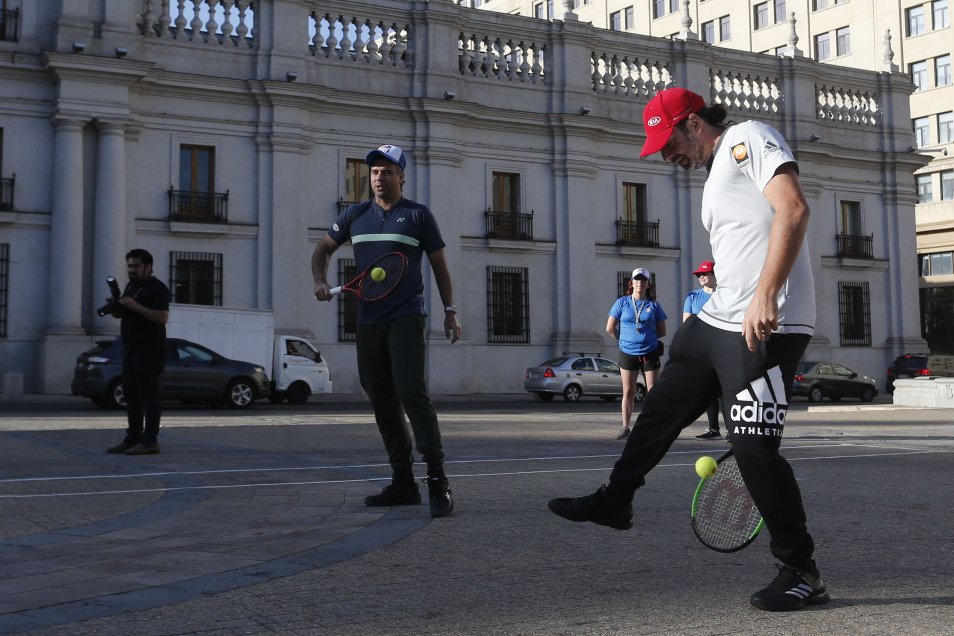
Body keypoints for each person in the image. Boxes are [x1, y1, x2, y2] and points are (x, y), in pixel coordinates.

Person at [547, 87, 828, 612]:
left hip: (769, 323)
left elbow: (793, 208)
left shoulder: (748, 138)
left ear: (693, 123)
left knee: (752, 451)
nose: (668, 155)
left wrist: (765, 293)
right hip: (717, 316)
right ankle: (616, 500)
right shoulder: (714, 176)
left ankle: (801, 570)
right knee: (661, 409)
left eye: (669, 142)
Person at [311, 144, 462, 518]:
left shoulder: (418, 216)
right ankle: (403, 483)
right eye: (375, 172)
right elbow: (322, 251)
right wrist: (319, 279)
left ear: (402, 176)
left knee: (411, 392)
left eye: (387, 171)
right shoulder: (354, 215)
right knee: (380, 397)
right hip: (368, 318)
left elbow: (440, 267)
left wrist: (449, 311)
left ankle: (438, 481)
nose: (379, 177)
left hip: (407, 316)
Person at [105, 249, 170, 456]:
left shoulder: (158, 289)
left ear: (148, 267)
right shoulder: (131, 286)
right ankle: (132, 438)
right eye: (130, 266)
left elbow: (162, 318)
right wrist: (116, 308)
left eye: (136, 266)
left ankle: (150, 441)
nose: (131, 270)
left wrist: (135, 305)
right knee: (131, 395)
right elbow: (123, 314)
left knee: (149, 396)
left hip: (150, 350)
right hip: (131, 350)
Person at [607, 267, 667, 440]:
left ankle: (653, 426)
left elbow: (662, 331)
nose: (640, 283)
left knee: (653, 391)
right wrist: (623, 340)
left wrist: (646, 339)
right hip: (627, 353)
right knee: (628, 392)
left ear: (648, 285)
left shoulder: (654, 305)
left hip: (650, 352)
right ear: (632, 283)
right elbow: (610, 328)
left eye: (643, 280)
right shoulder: (622, 303)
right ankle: (625, 427)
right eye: (637, 280)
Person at [682, 260, 722, 440]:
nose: (701, 277)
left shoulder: (724, 295)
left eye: (705, 274)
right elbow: (687, 324)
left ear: (715, 275)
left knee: (726, 390)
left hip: (723, 346)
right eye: (699, 275)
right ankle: (713, 429)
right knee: (708, 389)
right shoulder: (693, 297)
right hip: (702, 348)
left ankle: (733, 431)